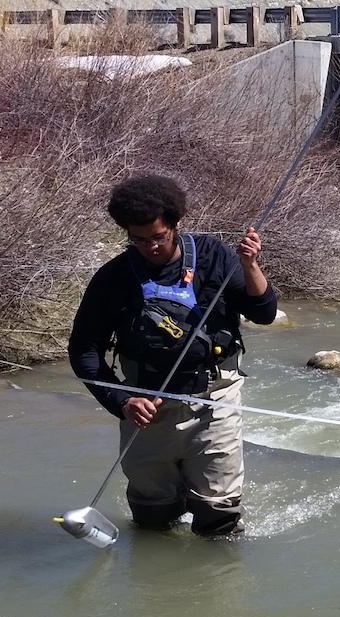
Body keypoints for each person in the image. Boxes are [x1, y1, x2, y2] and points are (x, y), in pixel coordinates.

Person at [68, 174, 278, 535]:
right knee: (152, 517)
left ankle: (216, 582)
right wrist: (122, 400)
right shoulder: (113, 278)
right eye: (138, 239)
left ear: (175, 225)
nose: (150, 247)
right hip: (145, 406)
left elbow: (264, 313)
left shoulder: (214, 256)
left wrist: (250, 266)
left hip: (215, 400)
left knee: (217, 517)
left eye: (158, 237)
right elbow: (83, 351)